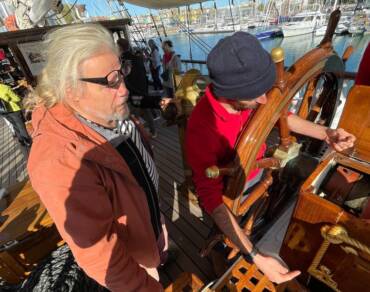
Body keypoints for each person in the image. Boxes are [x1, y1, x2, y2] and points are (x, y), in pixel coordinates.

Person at [185, 32, 356, 284]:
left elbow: (280, 115)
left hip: (260, 175)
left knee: (261, 211)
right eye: (256, 95)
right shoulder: (202, 132)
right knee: (228, 235)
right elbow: (211, 199)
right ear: (231, 93)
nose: (264, 100)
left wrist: (326, 133)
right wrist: (256, 256)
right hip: (232, 196)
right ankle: (223, 253)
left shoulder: (250, 97)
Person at [26, 24, 168, 291]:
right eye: (111, 80)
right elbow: (101, 256)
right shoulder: (59, 159)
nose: (124, 89)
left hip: (148, 227)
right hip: (132, 261)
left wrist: (155, 216)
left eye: (121, 71)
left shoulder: (104, 108)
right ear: (70, 90)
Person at [117, 38, 157, 137]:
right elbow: (144, 73)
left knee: (132, 115)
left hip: (133, 92)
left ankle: (140, 135)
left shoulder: (124, 61)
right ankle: (153, 131)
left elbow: (123, 76)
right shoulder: (137, 58)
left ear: (119, 48)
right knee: (145, 112)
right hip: (142, 90)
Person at [0, 81, 32, 154]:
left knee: (14, 125)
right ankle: (28, 141)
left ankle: (21, 141)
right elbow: (16, 98)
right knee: (21, 126)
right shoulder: (4, 87)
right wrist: (17, 97)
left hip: (3, 112)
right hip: (13, 110)